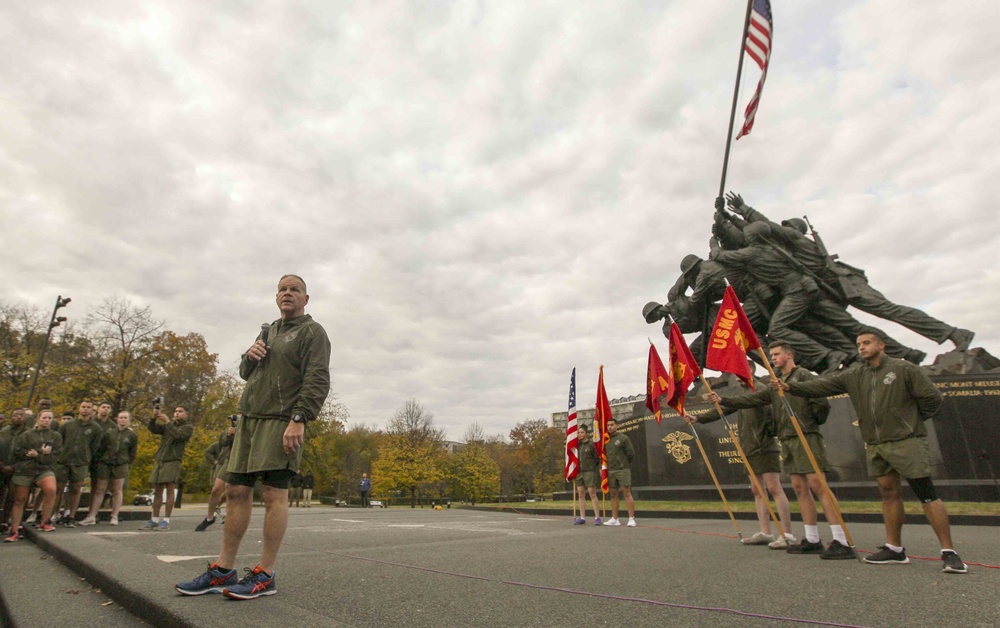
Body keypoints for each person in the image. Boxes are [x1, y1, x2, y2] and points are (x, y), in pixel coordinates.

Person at [175, 274, 331, 599]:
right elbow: (245, 373)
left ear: (306, 298)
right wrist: (250, 355)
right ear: (276, 297)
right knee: (235, 491)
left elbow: (317, 377)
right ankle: (223, 570)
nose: (287, 293)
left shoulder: (312, 332)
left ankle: (265, 574)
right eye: (282, 290)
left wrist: (299, 418)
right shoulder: (269, 331)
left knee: (274, 495)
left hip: (280, 421)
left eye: (294, 290)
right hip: (248, 421)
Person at [773, 329, 967, 574]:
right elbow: (820, 386)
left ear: (881, 345)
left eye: (866, 343)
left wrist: (910, 423)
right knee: (888, 493)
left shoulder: (903, 369)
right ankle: (895, 549)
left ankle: (949, 552)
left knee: (926, 493)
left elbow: (932, 399)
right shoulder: (855, 374)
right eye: (859, 344)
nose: (861, 347)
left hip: (906, 441)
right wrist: (790, 388)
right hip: (876, 444)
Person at [703, 342, 854, 559]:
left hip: (805, 435)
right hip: (788, 439)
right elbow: (751, 399)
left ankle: (841, 540)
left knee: (817, 485)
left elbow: (821, 403)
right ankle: (812, 539)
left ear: (789, 354)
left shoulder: (803, 376)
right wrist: (723, 399)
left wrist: (809, 423)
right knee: (800, 488)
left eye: (776, 354)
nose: (772, 358)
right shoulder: (775, 384)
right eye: (771, 355)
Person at [687, 375, 793, 547]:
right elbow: (724, 410)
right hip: (749, 447)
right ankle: (766, 532)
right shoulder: (742, 393)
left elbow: (770, 417)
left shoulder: (761, 390)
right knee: (757, 490)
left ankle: (787, 533)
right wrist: (698, 418)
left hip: (764, 446)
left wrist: (766, 435)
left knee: (774, 488)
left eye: (739, 374)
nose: (736, 378)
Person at [4, 410, 62, 541]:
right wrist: (34, 453)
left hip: (43, 468)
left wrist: (38, 455)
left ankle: (45, 521)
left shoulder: (55, 436)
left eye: (50, 418)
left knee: (51, 489)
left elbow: (55, 456)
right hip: (25, 470)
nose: (47, 420)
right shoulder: (27, 435)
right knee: (20, 499)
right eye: (44, 417)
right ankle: (14, 530)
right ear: (38, 419)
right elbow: (17, 452)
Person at [140, 406, 194, 531]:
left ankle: (166, 520)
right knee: (158, 490)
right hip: (161, 460)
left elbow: (178, 435)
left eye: (181, 411)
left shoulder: (187, 427)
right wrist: (154, 418)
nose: (177, 413)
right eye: (176, 411)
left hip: (173, 460)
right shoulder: (169, 426)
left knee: (170, 489)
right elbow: (153, 429)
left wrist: (168, 422)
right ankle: (154, 519)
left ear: (186, 415)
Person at [53, 400, 104, 526]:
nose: (86, 409)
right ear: (79, 409)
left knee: (75, 488)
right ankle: (53, 513)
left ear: (93, 410)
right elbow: (59, 441)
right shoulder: (67, 425)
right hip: (63, 461)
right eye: (83, 407)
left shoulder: (96, 428)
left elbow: (95, 446)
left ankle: (70, 515)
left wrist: (86, 457)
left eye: (88, 407)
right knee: (58, 488)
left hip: (81, 462)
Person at [80, 402, 118, 525]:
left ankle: (93, 513)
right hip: (87, 456)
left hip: (102, 459)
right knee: (78, 484)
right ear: (97, 409)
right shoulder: (91, 422)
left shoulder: (112, 426)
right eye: (103, 407)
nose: (106, 409)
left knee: (97, 487)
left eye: (108, 407)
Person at [98, 412, 138, 526]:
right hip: (106, 463)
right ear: (117, 419)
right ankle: (91, 515)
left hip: (121, 464)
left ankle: (114, 516)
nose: (123, 420)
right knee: (100, 489)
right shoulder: (110, 433)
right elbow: (102, 448)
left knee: (117, 490)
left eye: (125, 418)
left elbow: (132, 452)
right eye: (121, 418)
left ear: (129, 420)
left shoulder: (132, 435)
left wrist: (126, 461)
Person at [196, 421, 237, 531]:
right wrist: (230, 434)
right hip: (229, 460)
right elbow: (223, 442)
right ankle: (210, 517)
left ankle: (230, 517)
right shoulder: (232, 427)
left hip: (244, 460)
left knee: (233, 490)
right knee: (216, 489)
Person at [602, 417, 636, 527]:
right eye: (608, 425)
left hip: (622, 469)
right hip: (610, 470)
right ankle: (615, 518)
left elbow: (630, 454)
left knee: (626, 492)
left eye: (612, 425)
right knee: (613, 494)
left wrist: (624, 464)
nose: (610, 427)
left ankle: (631, 518)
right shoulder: (605, 440)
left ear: (617, 426)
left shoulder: (623, 438)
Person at [0, 409, 29, 531]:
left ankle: (6, 521)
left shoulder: (29, 433)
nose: (18, 417)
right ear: (10, 417)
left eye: (21, 415)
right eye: (15, 415)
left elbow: (28, 452)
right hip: (1, 467)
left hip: (18, 470)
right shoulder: (3, 431)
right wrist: (2, 466)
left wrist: (16, 466)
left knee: (13, 497)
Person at [572, 426, 602, 525]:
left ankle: (597, 517)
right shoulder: (577, 446)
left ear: (586, 433)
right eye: (578, 432)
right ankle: (582, 517)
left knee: (592, 493)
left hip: (589, 471)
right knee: (580, 494)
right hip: (579, 472)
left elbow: (597, 458)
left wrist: (594, 468)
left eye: (582, 432)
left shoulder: (591, 444)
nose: (580, 434)